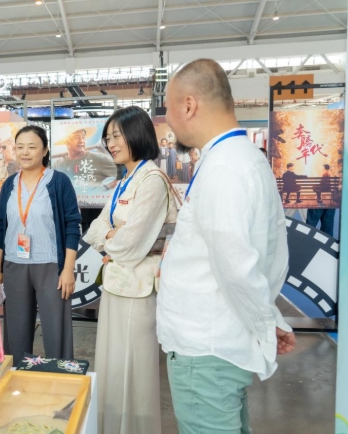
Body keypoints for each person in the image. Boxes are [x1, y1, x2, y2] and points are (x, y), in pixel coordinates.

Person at [157, 59, 296, 433]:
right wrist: (268, 319)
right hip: (218, 342)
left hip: (206, 348)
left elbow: (236, 266)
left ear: (189, 105)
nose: (167, 119)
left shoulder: (224, 168)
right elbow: (260, 256)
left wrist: (264, 324)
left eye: (168, 107)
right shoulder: (239, 159)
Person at [83, 106, 175, 434]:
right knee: (112, 364)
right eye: (107, 138)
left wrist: (112, 237)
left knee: (135, 370)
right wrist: (112, 235)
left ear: (137, 134)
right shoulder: (126, 180)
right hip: (116, 284)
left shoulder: (152, 181)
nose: (110, 144)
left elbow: (130, 245)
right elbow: (93, 230)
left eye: (116, 136)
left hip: (139, 288)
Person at [0, 125, 80, 365]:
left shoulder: (58, 182)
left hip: (50, 266)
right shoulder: (9, 184)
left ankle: (60, 378)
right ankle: (17, 378)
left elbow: (73, 226)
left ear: (45, 151)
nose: (25, 152)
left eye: (32, 147)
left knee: (56, 332)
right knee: (16, 333)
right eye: (20, 147)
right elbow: (1, 227)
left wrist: (68, 269)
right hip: (14, 265)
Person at [52, 126, 117, 183]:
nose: (81, 141)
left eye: (83, 137)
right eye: (76, 138)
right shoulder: (57, 164)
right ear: (66, 141)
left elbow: (119, 179)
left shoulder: (101, 159)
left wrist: (104, 187)